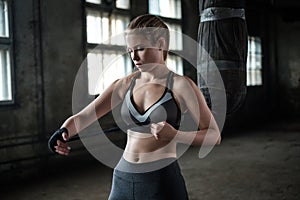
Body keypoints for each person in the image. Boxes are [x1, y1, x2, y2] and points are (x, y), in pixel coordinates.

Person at [52, 14, 221, 200]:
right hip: (124, 177)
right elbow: (84, 117)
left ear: (161, 44)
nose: (134, 56)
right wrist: (63, 131)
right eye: (130, 50)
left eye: (140, 49)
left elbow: (214, 135)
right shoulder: (125, 84)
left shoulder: (181, 85)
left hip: (161, 179)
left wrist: (175, 135)